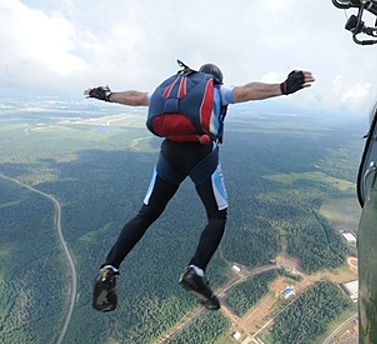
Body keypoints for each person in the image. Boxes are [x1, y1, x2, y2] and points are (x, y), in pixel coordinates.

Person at [85, 62, 315, 312]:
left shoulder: (171, 89)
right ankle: (196, 270)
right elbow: (248, 92)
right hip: (201, 154)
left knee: (146, 213)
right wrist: (283, 87)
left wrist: (105, 95)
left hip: (169, 153)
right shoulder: (216, 89)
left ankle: (109, 269)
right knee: (217, 215)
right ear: (216, 78)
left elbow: (135, 98)